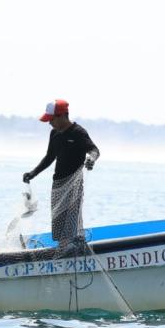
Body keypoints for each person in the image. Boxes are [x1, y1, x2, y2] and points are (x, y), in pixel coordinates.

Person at [22, 99, 99, 252]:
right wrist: (33, 173)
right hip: (57, 185)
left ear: (63, 116)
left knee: (71, 225)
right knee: (58, 228)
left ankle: (73, 247)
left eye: (52, 119)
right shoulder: (54, 133)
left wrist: (91, 159)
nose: (50, 123)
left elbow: (94, 150)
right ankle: (63, 248)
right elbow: (50, 157)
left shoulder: (78, 132)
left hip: (74, 185)